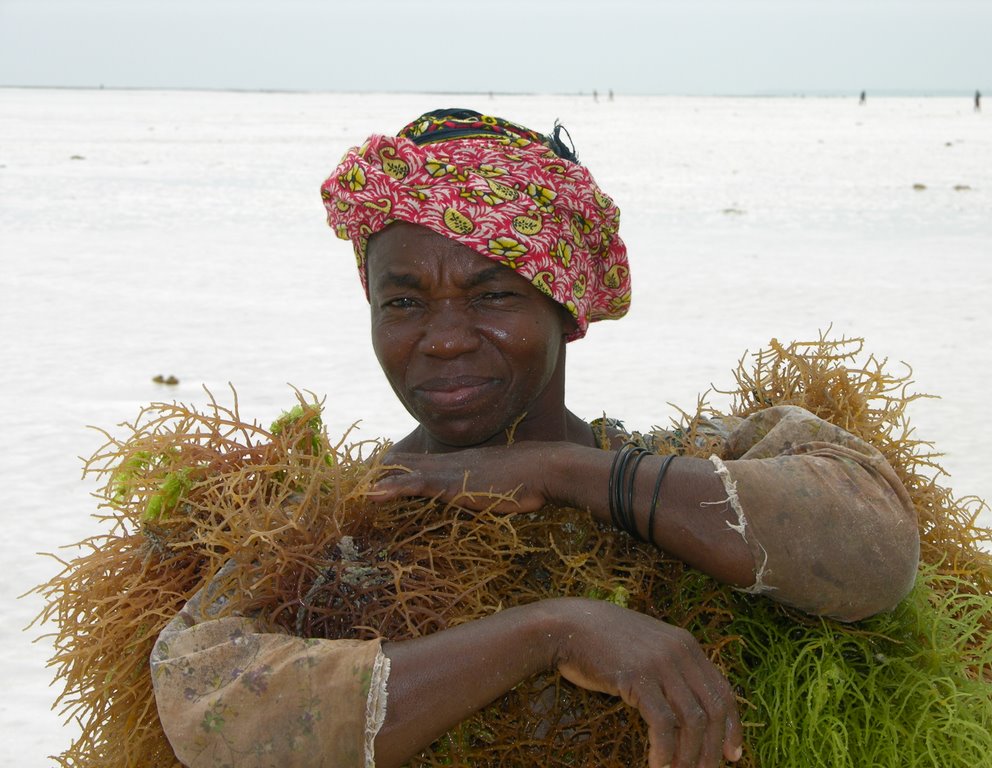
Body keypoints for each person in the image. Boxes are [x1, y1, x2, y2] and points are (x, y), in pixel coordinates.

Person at [150, 109, 920, 768]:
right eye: (404, 300)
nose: (444, 339)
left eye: (492, 294)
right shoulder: (321, 527)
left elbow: (873, 546)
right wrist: (551, 631)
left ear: (565, 307)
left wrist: (562, 471)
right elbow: (205, 698)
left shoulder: (689, 460)